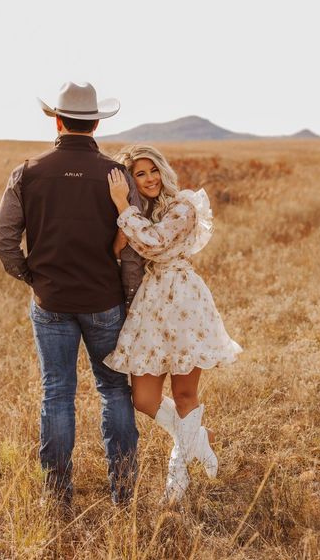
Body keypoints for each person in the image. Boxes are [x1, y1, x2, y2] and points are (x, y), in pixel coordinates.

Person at [0, 82, 144, 512]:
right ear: (95, 122)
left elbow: (2, 240)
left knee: (56, 393)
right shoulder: (117, 174)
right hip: (105, 301)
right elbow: (131, 245)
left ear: (57, 120)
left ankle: (56, 498)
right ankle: (124, 495)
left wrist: (33, 277)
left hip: (50, 302)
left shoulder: (27, 171)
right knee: (114, 390)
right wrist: (129, 300)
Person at [103, 144, 242, 503]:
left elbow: (154, 241)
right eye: (140, 174)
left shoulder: (183, 206)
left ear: (163, 171)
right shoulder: (141, 211)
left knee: (184, 395)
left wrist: (122, 207)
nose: (149, 179)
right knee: (144, 398)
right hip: (151, 305)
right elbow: (119, 249)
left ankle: (176, 481)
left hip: (184, 302)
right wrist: (125, 221)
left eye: (153, 171)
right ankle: (195, 437)